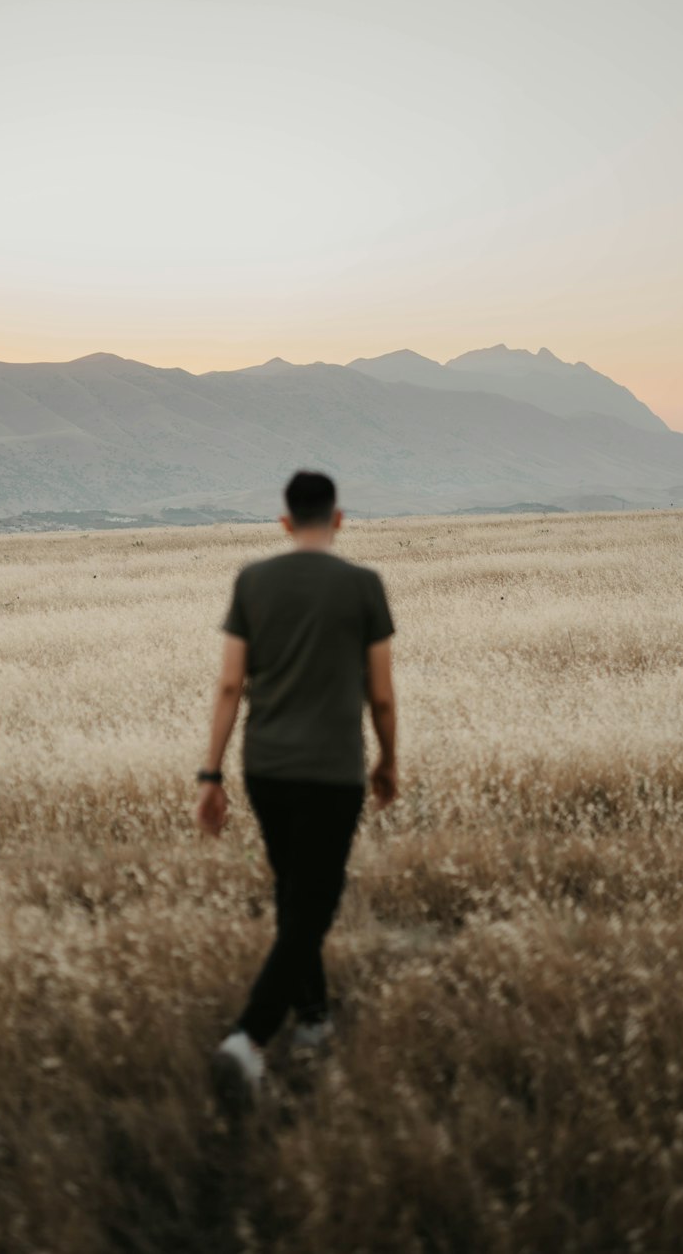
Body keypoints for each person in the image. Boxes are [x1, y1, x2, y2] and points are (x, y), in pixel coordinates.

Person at [195, 470, 397, 1105]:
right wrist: (388, 759)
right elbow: (381, 693)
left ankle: (312, 1020)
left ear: (284, 523)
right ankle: (248, 1038)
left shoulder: (253, 581)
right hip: (334, 770)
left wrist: (211, 774)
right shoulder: (364, 585)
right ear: (338, 520)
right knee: (316, 901)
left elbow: (230, 686)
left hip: (267, 768)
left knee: (294, 894)